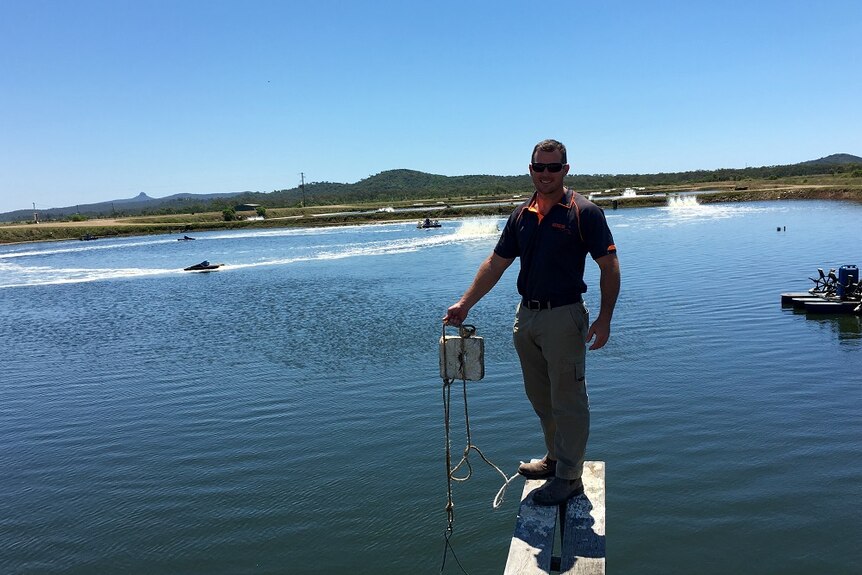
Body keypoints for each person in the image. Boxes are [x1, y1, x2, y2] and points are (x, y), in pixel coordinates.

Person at [444, 139, 620, 506]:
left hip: (564, 315)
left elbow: (609, 266)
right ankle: (555, 459)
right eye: (539, 167)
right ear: (530, 169)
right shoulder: (521, 216)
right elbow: (495, 264)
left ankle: (569, 477)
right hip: (527, 317)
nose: (545, 174)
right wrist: (466, 303)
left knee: (568, 400)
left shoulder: (583, 212)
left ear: (565, 170)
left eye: (553, 168)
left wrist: (604, 319)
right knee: (542, 398)